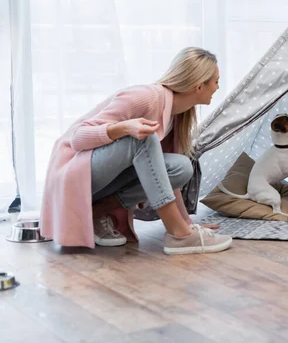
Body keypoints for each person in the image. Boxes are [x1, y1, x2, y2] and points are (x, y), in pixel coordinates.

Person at [40, 47, 232, 255]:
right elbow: (77, 138)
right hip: (73, 172)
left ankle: (98, 212)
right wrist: (123, 128)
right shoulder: (145, 97)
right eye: (215, 81)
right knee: (144, 137)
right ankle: (179, 236)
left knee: (182, 167)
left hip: (102, 181)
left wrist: (188, 222)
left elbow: (161, 176)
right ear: (199, 85)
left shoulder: (177, 115)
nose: (217, 87)